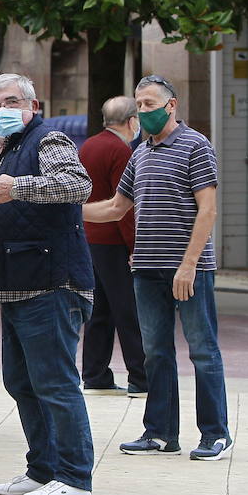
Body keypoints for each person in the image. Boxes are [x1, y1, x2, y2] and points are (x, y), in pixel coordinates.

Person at [0, 73, 95, 495]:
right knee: (21, 381)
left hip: (49, 283)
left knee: (55, 382)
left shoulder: (48, 141)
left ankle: (75, 477)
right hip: (14, 285)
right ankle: (43, 469)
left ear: (33, 106)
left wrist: (20, 187)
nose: (1, 111)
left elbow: (78, 186)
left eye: (11, 102)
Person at [84, 75, 232, 461]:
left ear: (171, 105)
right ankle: (161, 433)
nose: (143, 112)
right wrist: (67, 210)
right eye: (139, 105)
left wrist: (189, 265)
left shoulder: (196, 146)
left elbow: (208, 209)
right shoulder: (140, 153)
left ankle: (215, 433)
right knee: (156, 353)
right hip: (146, 268)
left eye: (150, 104)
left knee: (202, 349)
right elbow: (117, 207)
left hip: (188, 270)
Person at [77, 96, 147, 397]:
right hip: (114, 241)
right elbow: (124, 206)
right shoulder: (121, 150)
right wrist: (134, 246)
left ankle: (95, 373)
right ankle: (141, 376)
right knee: (127, 309)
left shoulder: (89, 145)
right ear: (132, 121)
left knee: (99, 310)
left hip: (90, 237)